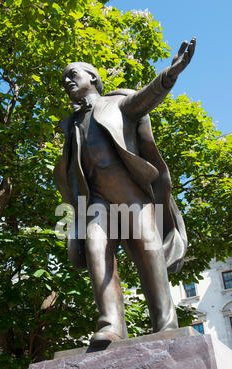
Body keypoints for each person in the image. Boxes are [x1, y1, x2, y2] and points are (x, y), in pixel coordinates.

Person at [54, 38, 196, 346]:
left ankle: (165, 324)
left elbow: (147, 98)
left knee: (149, 253)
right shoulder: (71, 125)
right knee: (95, 251)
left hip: (132, 197)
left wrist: (169, 75)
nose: (66, 81)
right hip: (99, 205)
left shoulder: (118, 104)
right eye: (64, 78)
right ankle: (111, 326)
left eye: (72, 74)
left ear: (92, 78)